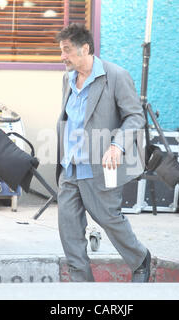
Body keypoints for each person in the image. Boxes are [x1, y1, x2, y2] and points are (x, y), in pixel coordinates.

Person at [55, 23, 151, 282]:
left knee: (110, 220)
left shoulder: (116, 76)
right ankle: (82, 285)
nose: (62, 56)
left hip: (99, 167)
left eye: (66, 50)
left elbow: (134, 116)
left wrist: (117, 145)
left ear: (85, 48)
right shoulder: (68, 78)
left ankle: (140, 260)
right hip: (70, 167)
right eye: (61, 50)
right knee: (69, 230)